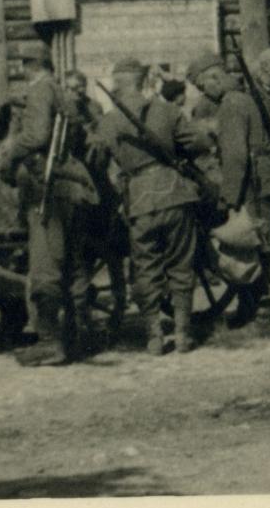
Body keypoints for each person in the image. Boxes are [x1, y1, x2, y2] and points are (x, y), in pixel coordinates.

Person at [90, 58, 210, 356]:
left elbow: (97, 162)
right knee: (181, 265)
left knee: (146, 268)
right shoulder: (167, 111)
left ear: (117, 86)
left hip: (139, 201)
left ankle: (154, 337)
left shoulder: (109, 121)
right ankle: (182, 334)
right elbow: (198, 142)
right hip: (175, 194)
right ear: (144, 82)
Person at [0, 42, 93, 366]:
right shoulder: (63, 91)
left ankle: (51, 342)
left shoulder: (40, 90)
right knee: (73, 265)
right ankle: (78, 334)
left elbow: (37, 136)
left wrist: (8, 153)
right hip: (71, 186)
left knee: (44, 265)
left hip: (46, 187)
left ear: (28, 66)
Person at [188, 50, 270, 327]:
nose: (203, 92)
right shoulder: (242, 96)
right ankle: (250, 307)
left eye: (202, 85)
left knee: (257, 242)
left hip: (251, 184)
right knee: (255, 244)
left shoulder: (231, 105)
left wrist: (228, 197)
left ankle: (266, 316)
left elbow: (235, 156)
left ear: (214, 78)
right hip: (258, 178)